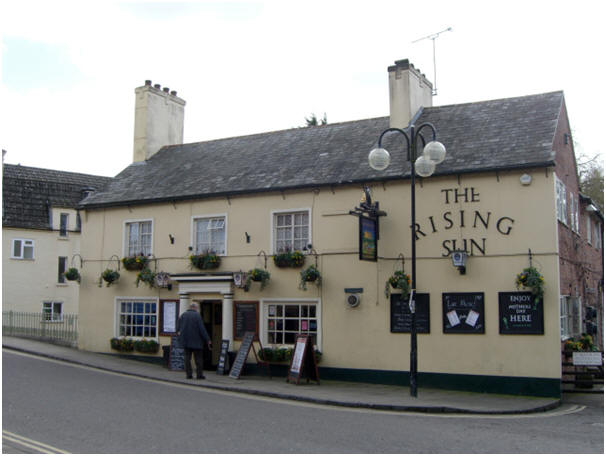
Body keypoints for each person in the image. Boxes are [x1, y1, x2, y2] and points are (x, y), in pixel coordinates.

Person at [176, 303, 212, 379]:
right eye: (197, 308)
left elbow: (178, 328)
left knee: (187, 359)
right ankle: (199, 375)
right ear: (195, 308)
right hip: (197, 341)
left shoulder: (183, 315)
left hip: (186, 341)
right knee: (198, 359)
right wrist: (208, 339)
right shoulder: (197, 316)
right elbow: (202, 329)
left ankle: (188, 375)